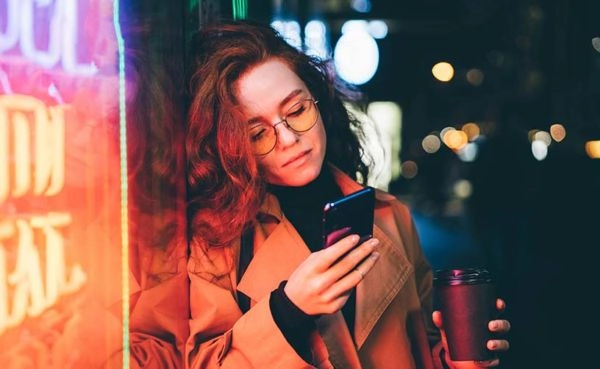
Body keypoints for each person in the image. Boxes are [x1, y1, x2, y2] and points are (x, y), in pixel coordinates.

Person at [184, 19, 511, 369]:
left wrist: (454, 360)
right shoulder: (217, 241)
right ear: (233, 146)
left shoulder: (389, 215)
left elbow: (423, 346)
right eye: (257, 134)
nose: (290, 139)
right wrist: (288, 309)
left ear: (318, 102)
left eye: (297, 110)